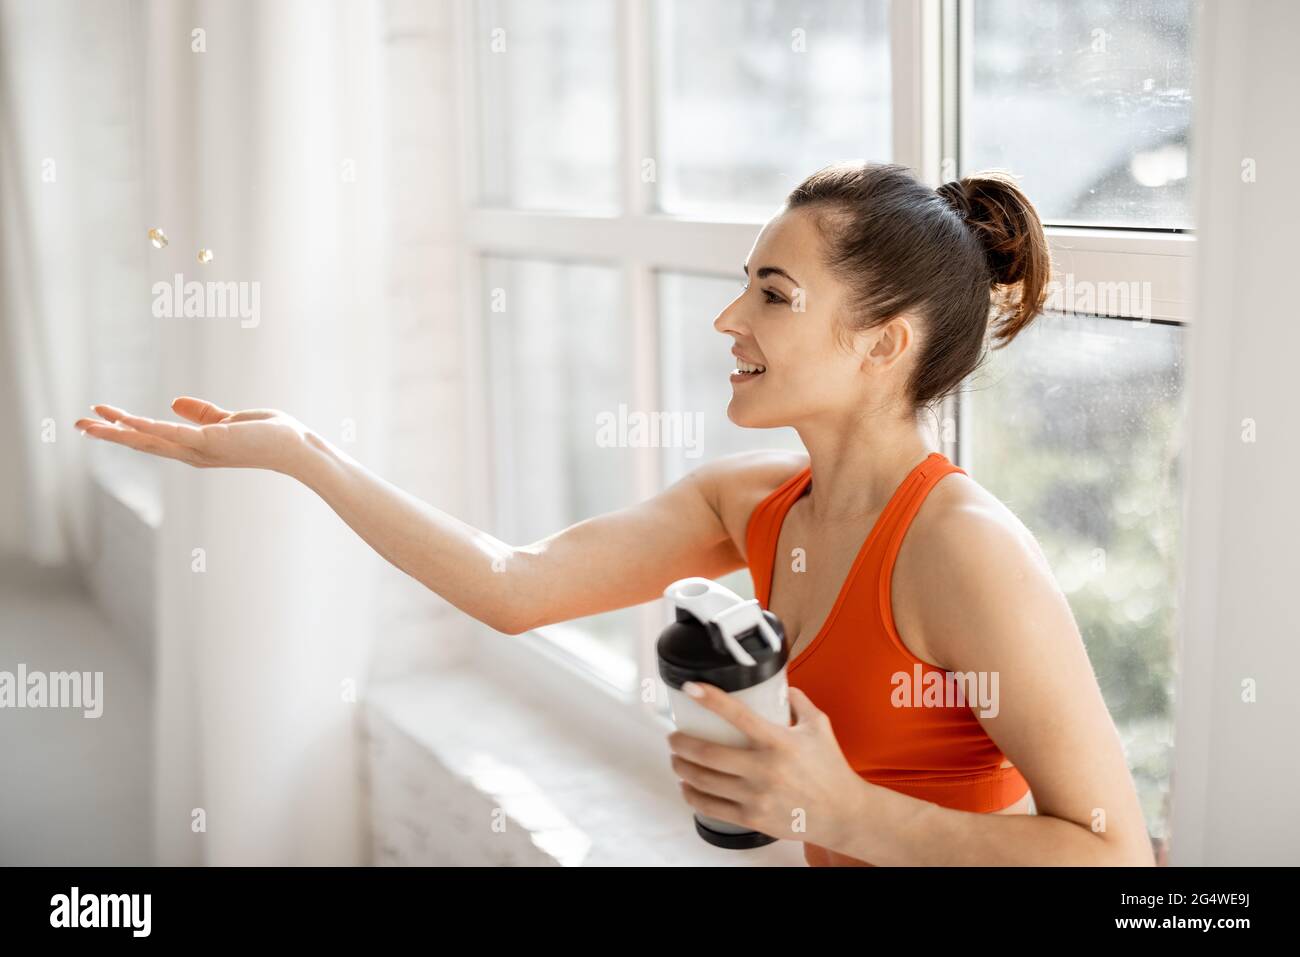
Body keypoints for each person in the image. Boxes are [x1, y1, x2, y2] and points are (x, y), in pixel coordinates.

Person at [77, 162, 1155, 866]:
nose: (729, 317)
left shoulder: (962, 548)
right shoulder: (754, 504)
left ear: (884, 344)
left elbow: (1112, 852)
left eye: (774, 294)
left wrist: (839, 813)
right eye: (745, 283)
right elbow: (515, 587)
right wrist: (303, 456)